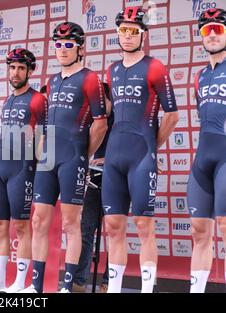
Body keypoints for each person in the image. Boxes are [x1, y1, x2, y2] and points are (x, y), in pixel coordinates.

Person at [21, 22, 108, 293]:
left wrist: (83, 155)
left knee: (72, 223)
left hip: (74, 158)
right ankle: (35, 287)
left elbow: (101, 123)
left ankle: (68, 287)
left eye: (68, 45)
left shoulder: (90, 78)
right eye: (58, 45)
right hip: (49, 159)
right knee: (38, 221)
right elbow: (46, 127)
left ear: (80, 48)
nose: (62, 50)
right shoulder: (52, 80)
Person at [102, 7, 179, 293]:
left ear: (143, 34)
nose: (128, 35)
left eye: (134, 30)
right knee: (113, 226)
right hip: (113, 158)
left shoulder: (155, 67)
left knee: (144, 225)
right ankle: (114, 288)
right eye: (124, 30)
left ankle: (147, 290)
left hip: (142, 156)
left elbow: (172, 116)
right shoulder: (111, 71)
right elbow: (106, 116)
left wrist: (152, 149)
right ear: (118, 33)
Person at [0, 49, 47, 293]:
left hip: (23, 170)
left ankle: (20, 283)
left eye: (21, 68)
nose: (15, 73)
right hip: (1, 169)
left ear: (30, 71)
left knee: (23, 227)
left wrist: (40, 171)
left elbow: (46, 140)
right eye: (12, 68)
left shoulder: (38, 100)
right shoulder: (8, 100)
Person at [188, 8, 226, 293]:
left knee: (225, 227)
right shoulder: (200, 76)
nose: (212, 34)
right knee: (199, 231)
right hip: (203, 159)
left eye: (218, 29)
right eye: (206, 30)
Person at [72, 82, 113, 293]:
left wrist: (107, 159)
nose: (97, 105)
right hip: (95, 180)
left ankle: (109, 283)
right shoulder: (90, 118)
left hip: (117, 181)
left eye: (102, 100)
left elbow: (131, 150)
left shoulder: (122, 119)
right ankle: (79, 282)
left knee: (115, 232)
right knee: (86, 231)